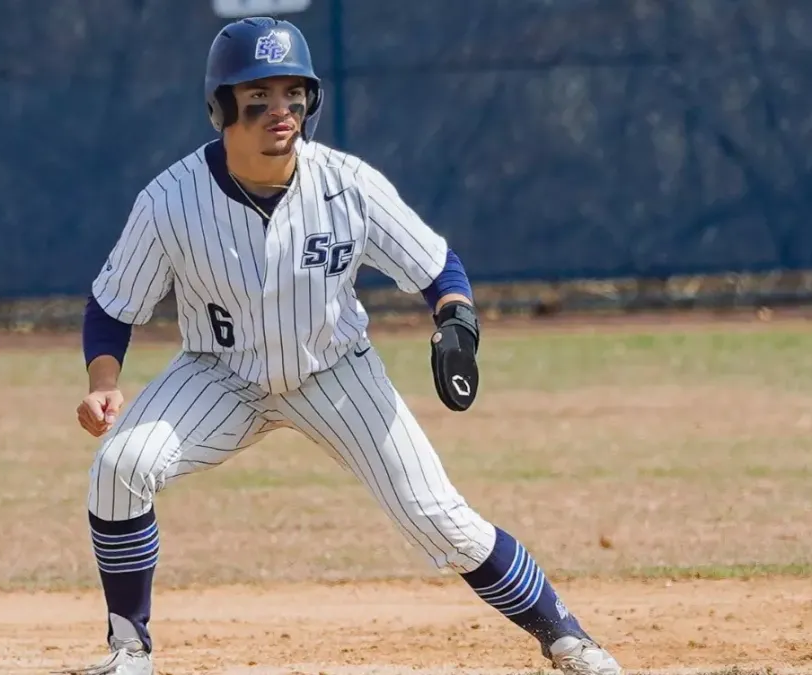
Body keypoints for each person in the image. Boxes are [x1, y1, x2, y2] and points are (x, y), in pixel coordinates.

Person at [60, 16, 624, 675]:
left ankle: (566, 634)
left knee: (438, 516)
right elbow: (113, 303)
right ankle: (130, 649)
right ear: (221, 107)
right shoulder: (171, 200)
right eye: (259, 94)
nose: (281, 109)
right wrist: (103, 381)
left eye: (293, 93)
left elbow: (439, 271)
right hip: (220, 374)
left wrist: (457, 326)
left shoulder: (346, 184)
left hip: (334, 369)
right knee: (120, 464)